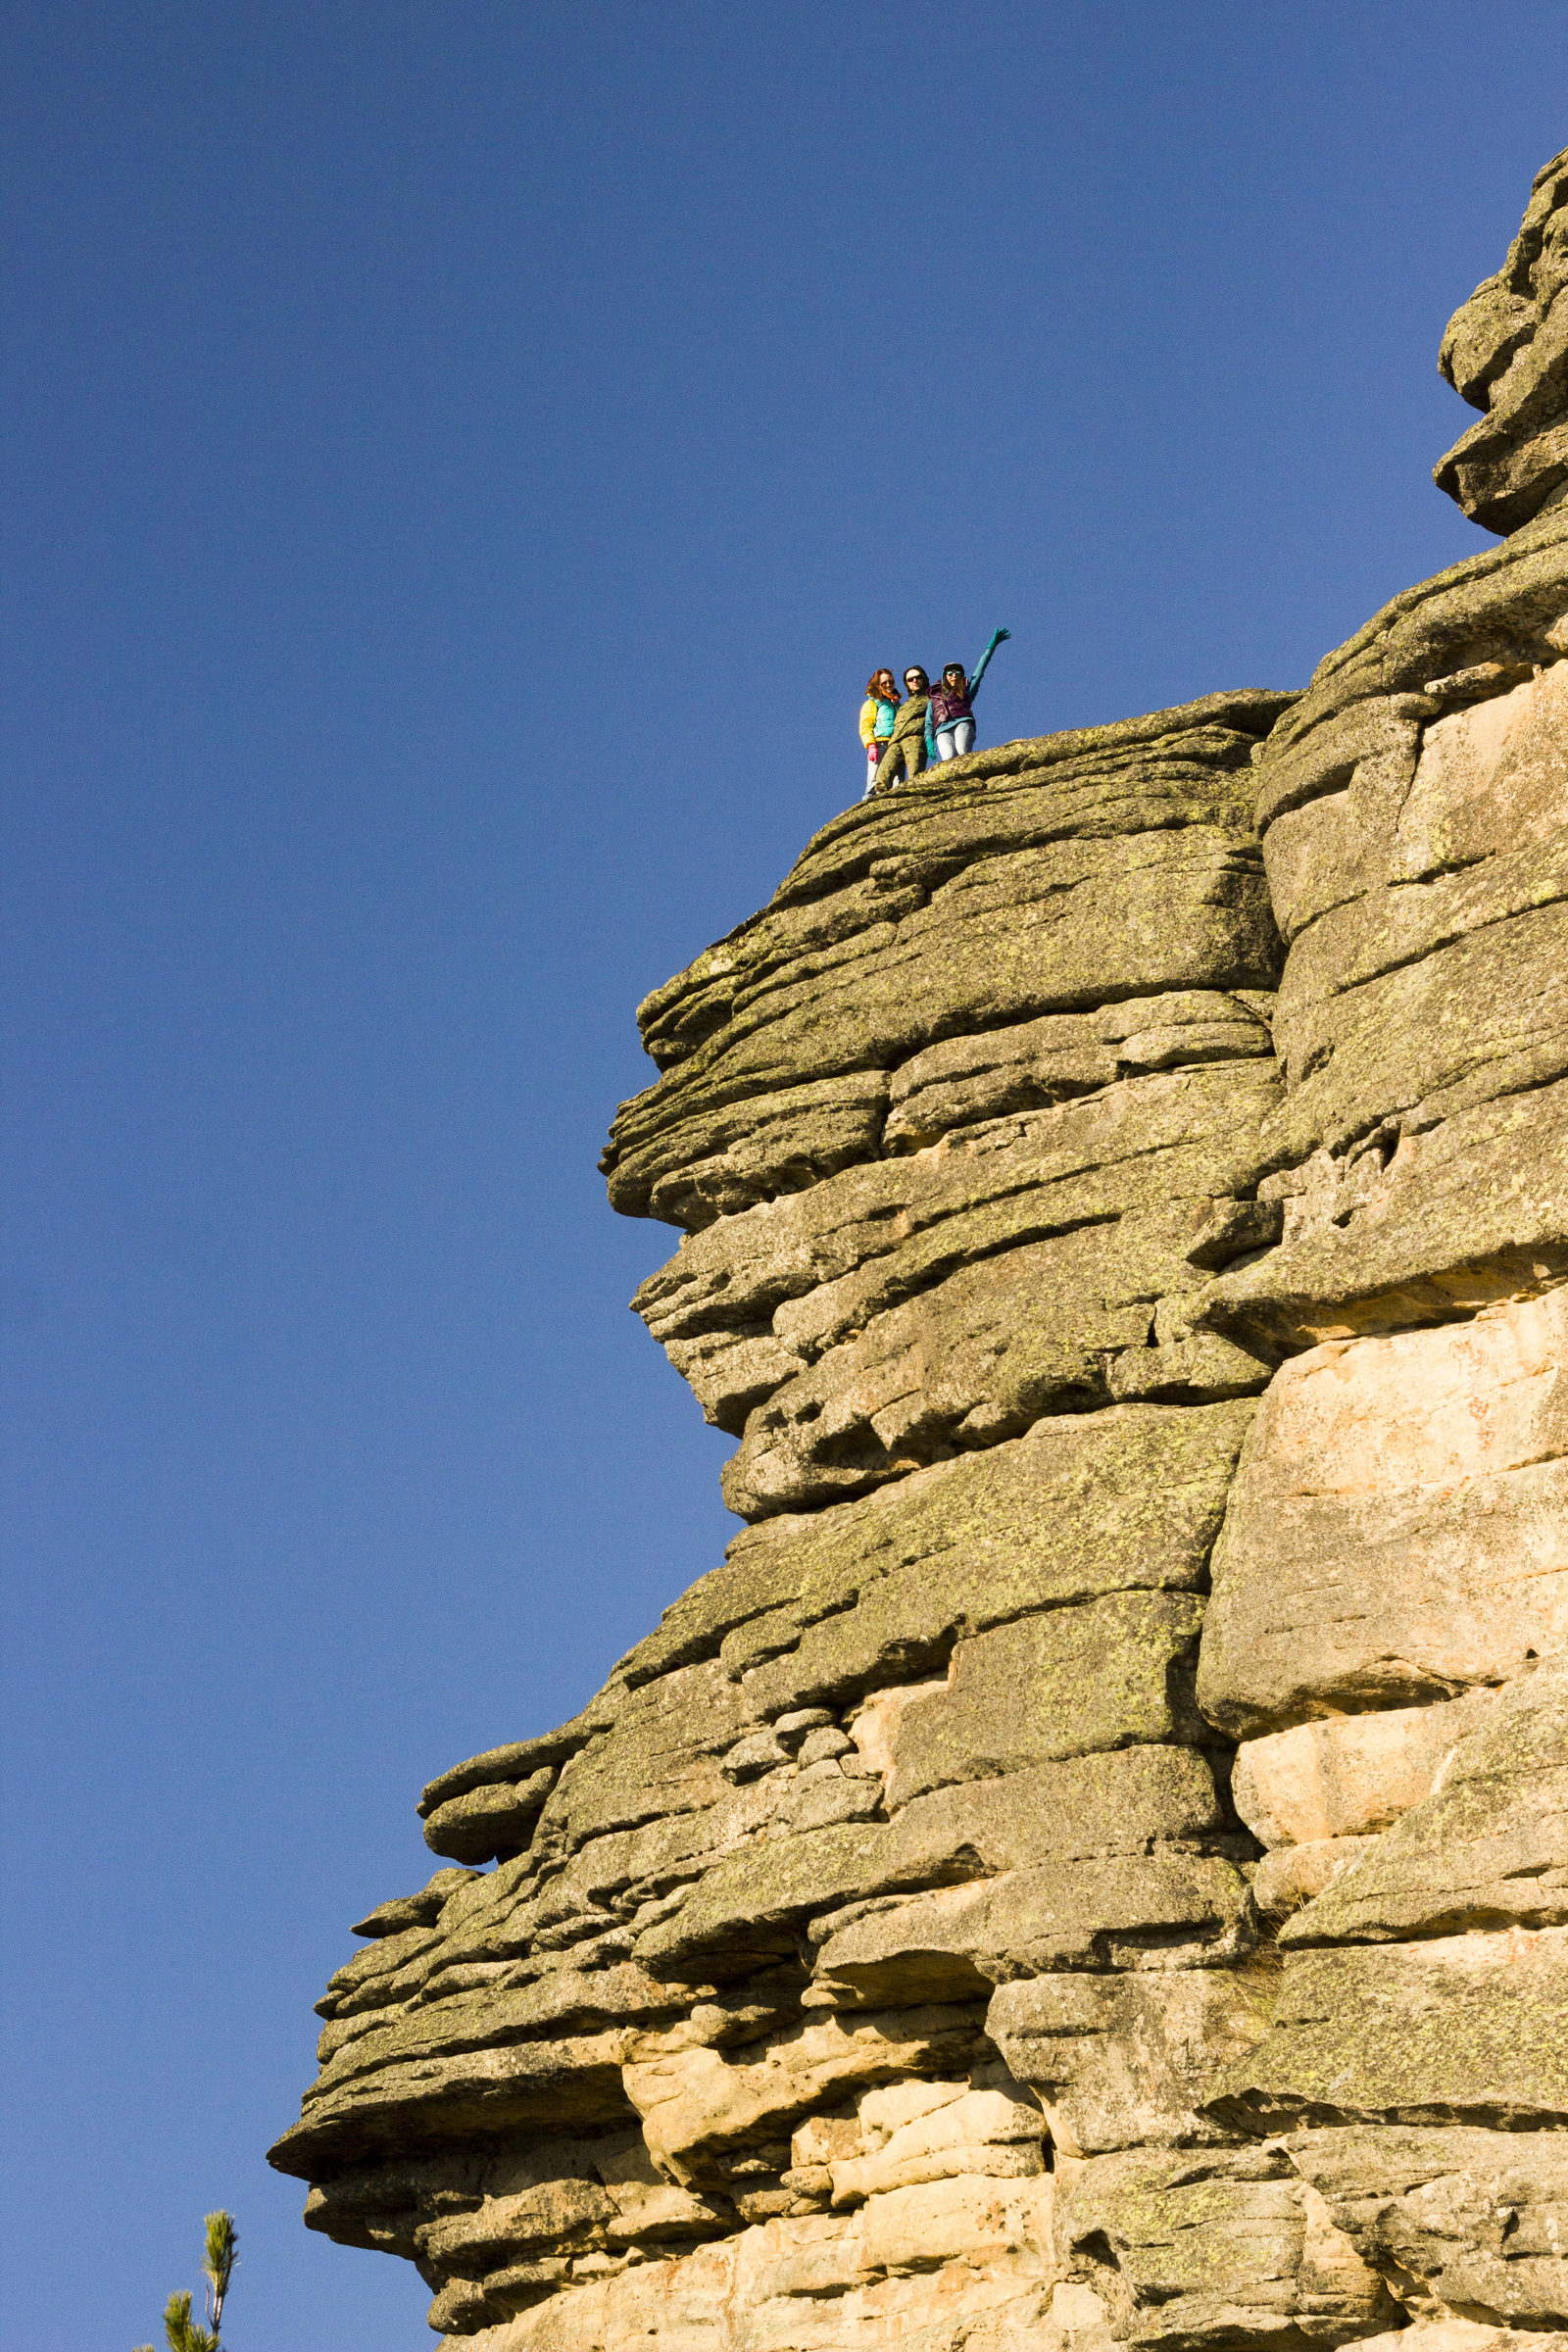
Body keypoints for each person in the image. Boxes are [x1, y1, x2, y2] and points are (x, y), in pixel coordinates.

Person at [929, 628, 1011, 761]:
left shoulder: (967, 690)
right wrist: (928, 740)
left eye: (957, 673)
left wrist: (991, 647)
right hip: (942, 728)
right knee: (948, 757)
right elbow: (929, 721)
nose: (953, 676)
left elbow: (980, 669)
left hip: (962, 722)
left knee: (962, 752)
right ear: (945, 677)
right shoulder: (934, 697)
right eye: (950, 673)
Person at [871, 667, 932, 793]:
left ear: (924, 679)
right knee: (883, 774)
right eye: (910, 679)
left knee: (915, 775)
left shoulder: (931, 699)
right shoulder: (904, 705)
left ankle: (916, 801)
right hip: (896, 741)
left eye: (918, 677)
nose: (914, 681)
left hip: (914, 739)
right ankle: (880, 800)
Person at [858, 670, 900, 797]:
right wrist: (871, 745)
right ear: (877, 684)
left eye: (891, 682)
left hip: (896, 745)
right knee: (874, 781)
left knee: (896, 781)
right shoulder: (872, 703)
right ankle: (869, 802)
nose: (888, 685)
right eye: (884, 683)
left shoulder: (897, 705)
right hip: (880, 744)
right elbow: (866, 726)